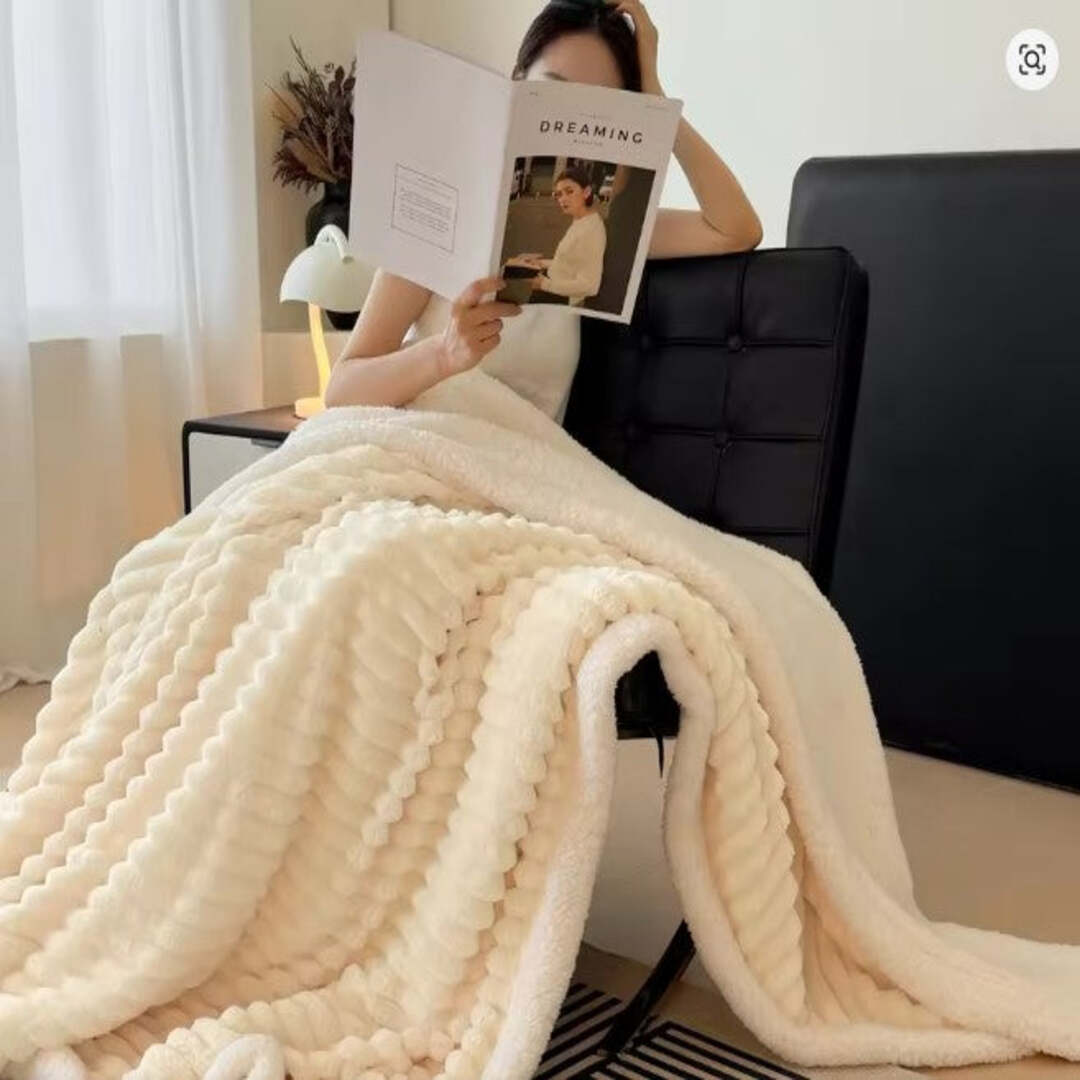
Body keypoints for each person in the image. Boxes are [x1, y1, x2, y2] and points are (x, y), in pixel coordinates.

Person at [325, 0, 763, 425]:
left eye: (596, 109)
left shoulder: (600, 228)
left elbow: (734, 229)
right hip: (417, 438)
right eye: (553, 92)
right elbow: (341, 390)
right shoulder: (441, 213)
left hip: (516, 460)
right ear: (517, 83)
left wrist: (660, 106)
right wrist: (443, 353)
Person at [504, 165, 608, 307]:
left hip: (558, 298)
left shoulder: (592, 230)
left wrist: (544, 284)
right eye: (559, 194)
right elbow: (569, 264)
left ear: (586, 192)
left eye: (569, 191)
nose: (562, 199)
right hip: (551, 286)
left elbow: (590, 286)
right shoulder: (581, 221)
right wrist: (541, 264)